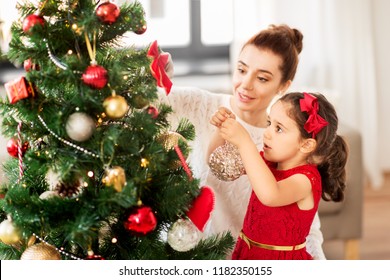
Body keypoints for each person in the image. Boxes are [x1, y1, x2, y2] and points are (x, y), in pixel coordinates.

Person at [156, 24, 326, 259]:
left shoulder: (282, 143)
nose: (246, 84)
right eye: (242, 70)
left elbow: (305, 224)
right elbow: (142, 101)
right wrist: (152, 70)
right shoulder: (199, 104)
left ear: (283, 86)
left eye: (263, 78)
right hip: (183, 250)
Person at [207, 92, 348, 260]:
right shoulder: (267, 164)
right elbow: (218, 163)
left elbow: (270, 195)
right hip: (247, 253)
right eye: (269, 123)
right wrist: (221, 130)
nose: (266, 133)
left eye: (278, 128)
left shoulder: (306, 180)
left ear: (306, 144)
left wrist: (245, 142)